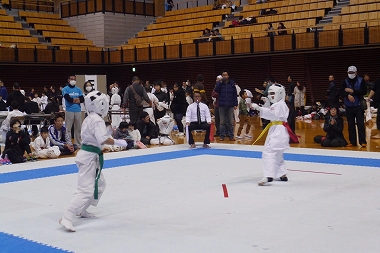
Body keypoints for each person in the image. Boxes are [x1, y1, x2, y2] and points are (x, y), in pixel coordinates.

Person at [59, 90, 129, 232]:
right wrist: (118, 142)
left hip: (90, 155)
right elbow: (102, 139)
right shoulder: (97, 120)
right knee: (85, 189)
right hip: (88, 158)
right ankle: (67, 216)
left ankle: (81, 210)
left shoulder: (90, 117)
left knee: (100, 185)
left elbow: (96, 138)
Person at [251, 84, 290, 186]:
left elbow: (271, 114)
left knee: (268, 152)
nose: (271, 96)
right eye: (270, 94)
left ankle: (269, 175)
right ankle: (282, 174)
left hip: (278, 130)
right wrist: (266, 104)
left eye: (273, 93)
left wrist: (259, 108)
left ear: (280, 93)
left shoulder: (279, 105)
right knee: (277, 153)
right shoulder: (280, 104)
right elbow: (272, 112)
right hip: (279, 130)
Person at [339, 66, 367, 147]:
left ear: (356, 73)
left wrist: (353, 92)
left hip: (358, 106)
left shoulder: (361, 80)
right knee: (350, 125)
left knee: (360, 124)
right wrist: (347, 95)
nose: (350, 74)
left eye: (352, 73)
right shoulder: (345, 81)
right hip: (348, 106)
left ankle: (363, 141)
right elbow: (341, 91)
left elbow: (364, 91)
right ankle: (352, 141)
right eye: (349, 73)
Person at [214, 70, 238, 141]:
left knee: (230, 121)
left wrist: (235, 104)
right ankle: (222, 136)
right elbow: (216, 90)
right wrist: (220, 83)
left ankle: (231, 135)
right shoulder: (219, 83)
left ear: (228, 76)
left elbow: (234, 94)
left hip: (230, 105)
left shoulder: (232, 84)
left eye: (226, 75)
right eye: (223, 75)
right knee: (222, 122)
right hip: (221, 105)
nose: (225, 76)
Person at [62, 75, 84, 148]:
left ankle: (78, 143)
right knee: (68, 128)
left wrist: (73, 100)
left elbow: (82, 99)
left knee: (78, 128)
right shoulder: (65, 89)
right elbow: (68, 99)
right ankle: (70, 143)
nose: (73, 80)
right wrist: (76, 100)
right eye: (71, 79)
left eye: (74, 79)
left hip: (78, 110)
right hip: (69, 110)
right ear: (68, 80)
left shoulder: (78, 89)